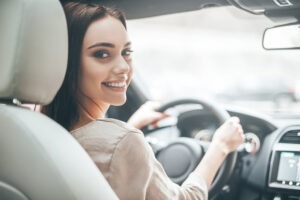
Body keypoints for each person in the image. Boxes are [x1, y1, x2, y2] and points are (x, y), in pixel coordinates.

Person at [42, 1, 244, 199]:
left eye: (126, 52)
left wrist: (133, 126)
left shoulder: (40, 130)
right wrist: (220, 147)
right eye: (102, 54)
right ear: (66, 61)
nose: (123, 67)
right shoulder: (123, 141)